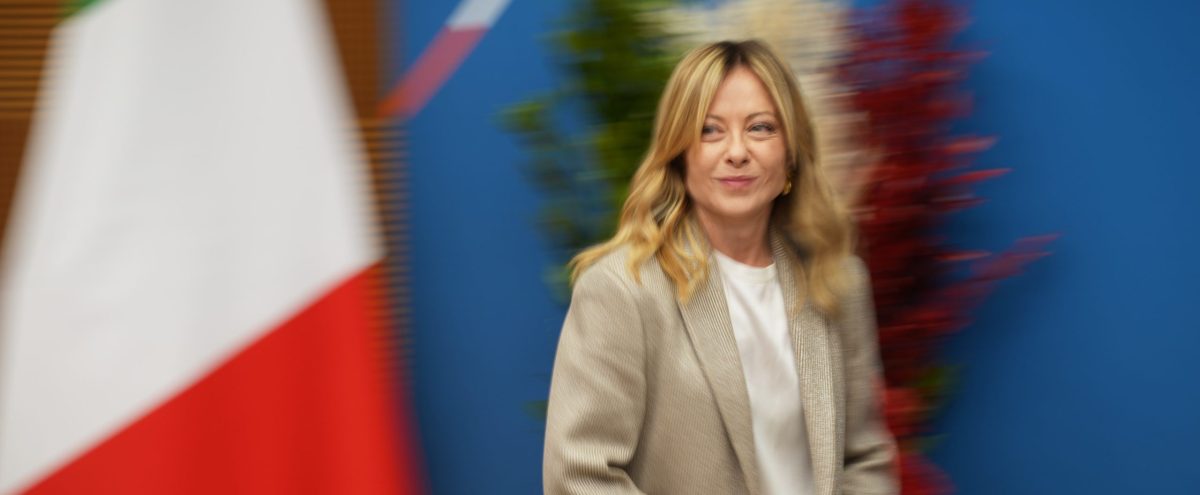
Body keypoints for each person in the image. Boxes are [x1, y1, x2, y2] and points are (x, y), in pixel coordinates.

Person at [543, 40, 897, 495]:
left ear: (791, 152)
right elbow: (579, 475)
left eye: (760, 128)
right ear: (679, 153)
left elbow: (865, 457)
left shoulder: (838, 281)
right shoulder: (620, 290)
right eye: (710, 130)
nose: (737, 151)